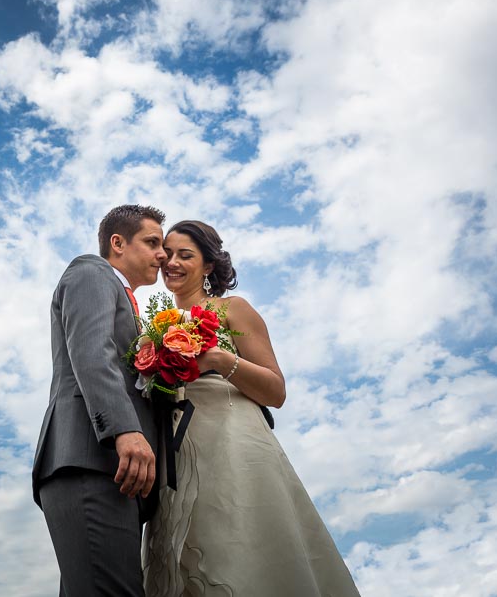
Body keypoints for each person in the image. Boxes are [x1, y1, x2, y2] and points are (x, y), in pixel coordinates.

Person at [143, 220, 360, 596]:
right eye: (168, 254)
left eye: (185, 255)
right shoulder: (153, 329)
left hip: (233, 443)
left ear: (208, 266)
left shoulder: (232, 310)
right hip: (174, 454)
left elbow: (276, 391)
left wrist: (218, 359)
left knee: (240, 539)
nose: (172, 262)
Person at [32, 204, 168, 597]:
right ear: (117, 243)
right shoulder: (90, 272)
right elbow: (92, 351)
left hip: (114, 472)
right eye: (152, 242)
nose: (162, 254)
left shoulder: (129, 303)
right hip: (90, 458)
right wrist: (126, 430)